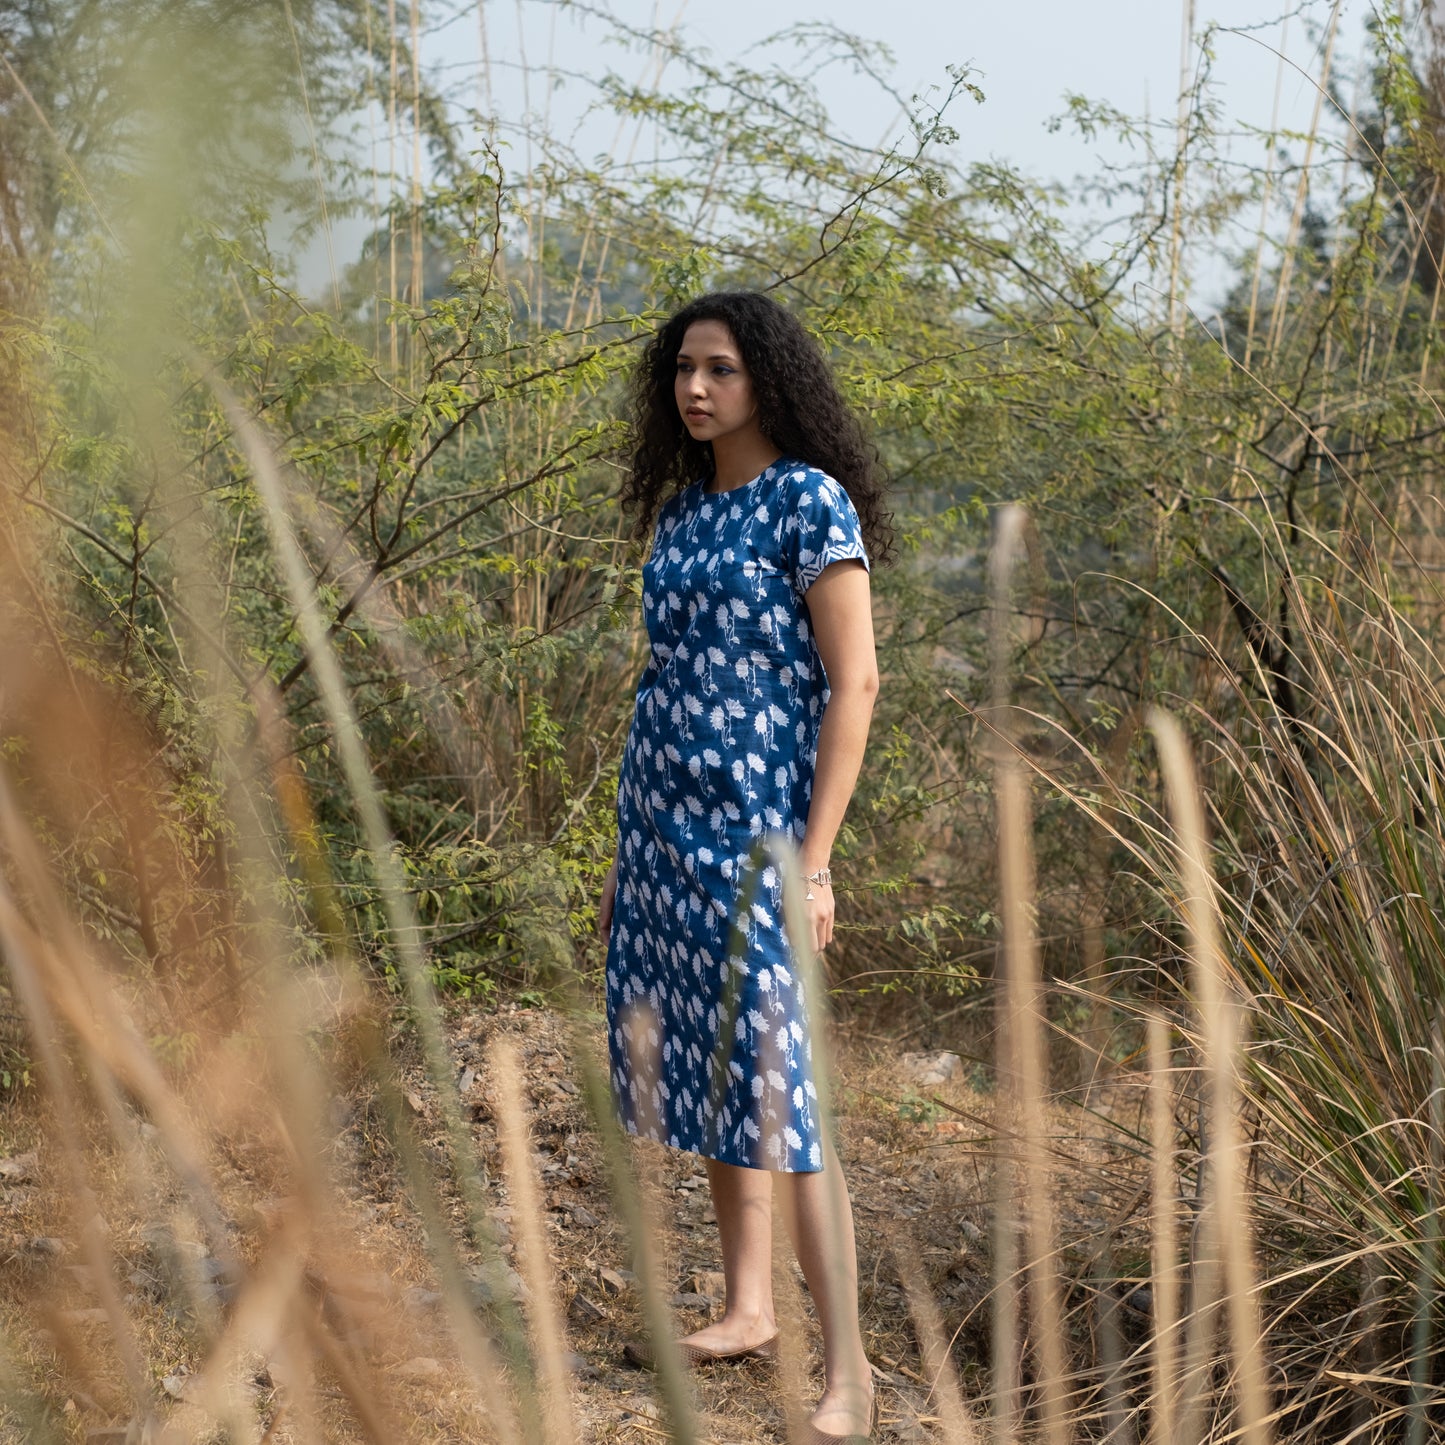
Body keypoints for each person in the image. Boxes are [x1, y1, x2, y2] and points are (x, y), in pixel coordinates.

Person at [598, 290, 889, 1444]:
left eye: (718, 367)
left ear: (765, 377)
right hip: (664, 834)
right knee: (721, 1076)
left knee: (786, 1102)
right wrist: (627, 848)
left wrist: (813, 863)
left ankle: (850, 1373)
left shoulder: (805, 504)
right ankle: (749, 1305)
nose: (695, 388)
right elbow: (658, 685)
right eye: (681, 369)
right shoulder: (679, 512)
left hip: (762, 843)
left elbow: (853, 684)